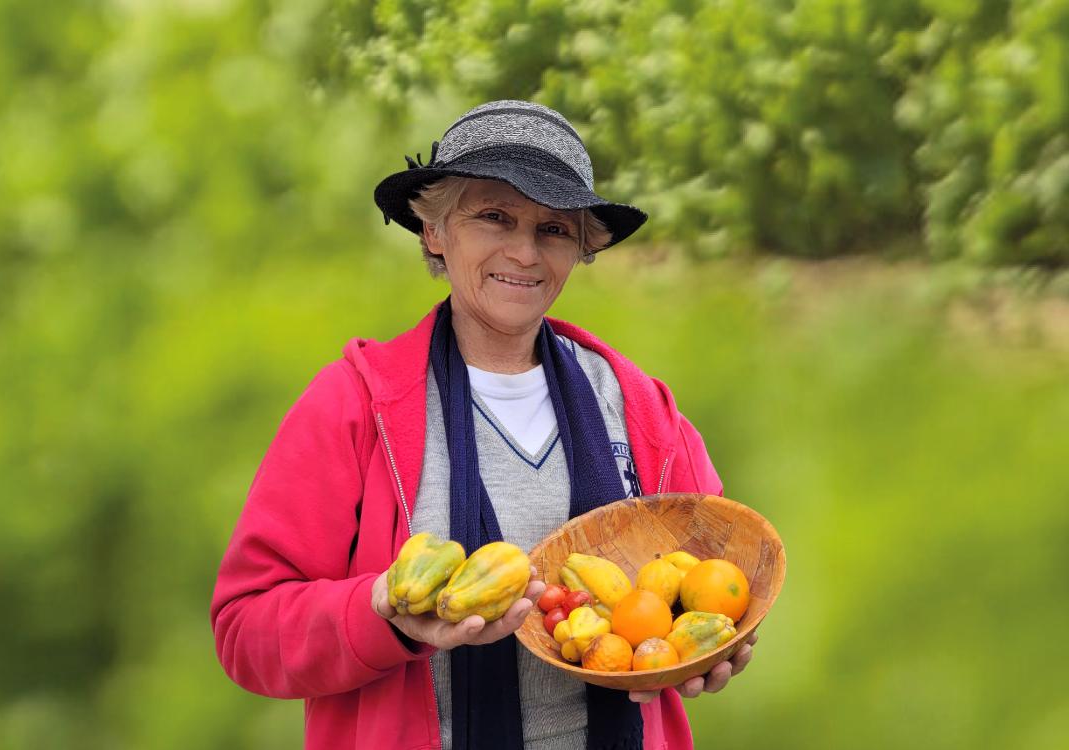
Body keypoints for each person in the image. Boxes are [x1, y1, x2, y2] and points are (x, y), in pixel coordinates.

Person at [209, 100, 755, 749]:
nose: (523, 252)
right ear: (435, 230)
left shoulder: (634, 404)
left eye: (553, 228)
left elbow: (718, 574)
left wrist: (716, 644)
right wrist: (386, 612)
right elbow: (247, 630)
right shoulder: (358, 405)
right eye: (494, 216)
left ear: (582, 246)